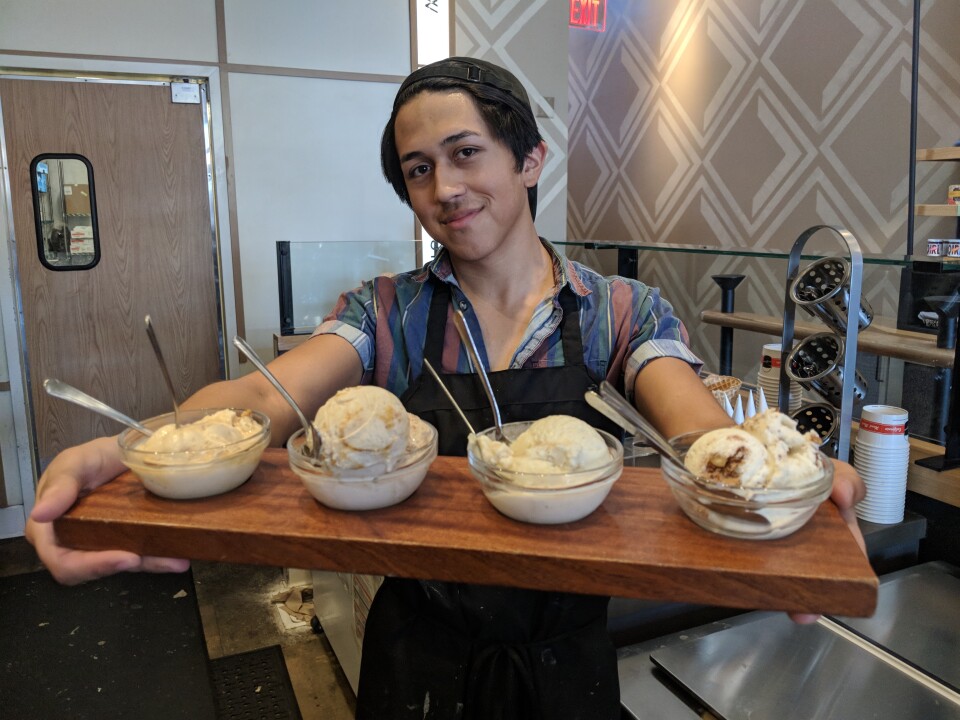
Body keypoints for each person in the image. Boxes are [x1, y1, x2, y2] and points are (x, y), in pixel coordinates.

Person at [27, 57, 866, 719]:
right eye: (418, 169)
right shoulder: (385, 312)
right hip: (415, 654)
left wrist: (780, 488)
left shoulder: (617, 312)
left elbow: (698, 434)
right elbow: (259, 403)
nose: (444, 189)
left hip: (565, 655)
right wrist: (119, 449)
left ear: (530, 158)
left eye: (466, 154)